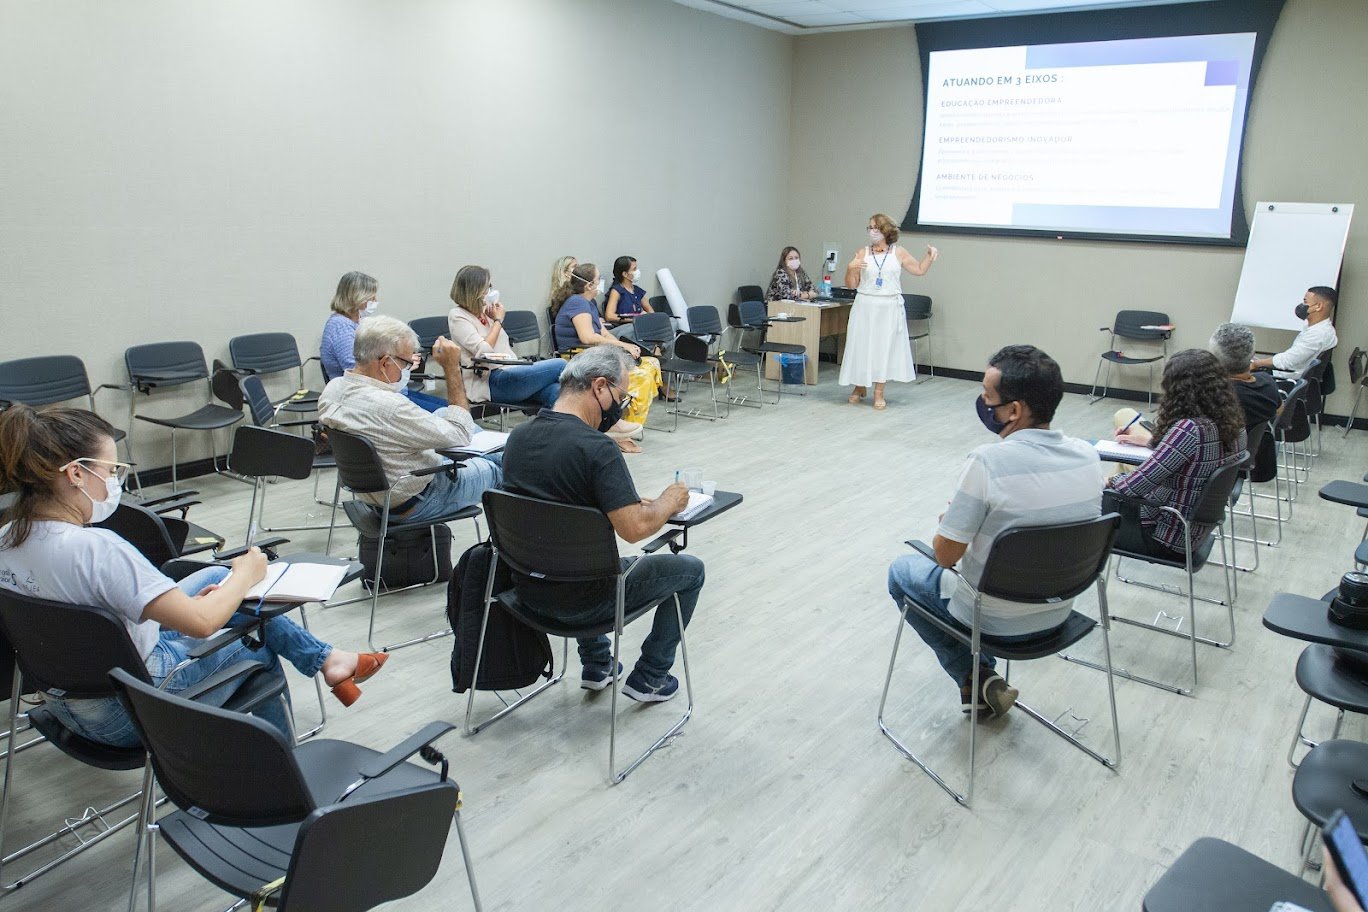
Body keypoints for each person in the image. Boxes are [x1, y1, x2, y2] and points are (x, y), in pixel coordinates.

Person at [0, 406, 387, 747]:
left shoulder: (7, 537)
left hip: (64, 697)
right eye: (111, 470)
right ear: (76, 474)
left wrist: (218, 593)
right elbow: (202, 624)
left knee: (214, 577)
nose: (115, 480)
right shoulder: (97, 550)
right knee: (256, 646)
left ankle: (330, 659)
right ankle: (284, 777)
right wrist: (246, 575)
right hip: (127, 710)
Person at [886, 345, 1101, 716]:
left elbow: (945, 556)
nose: (982, 403)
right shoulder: (1088, 455)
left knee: (901, 572)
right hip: (1058, 614)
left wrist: (953, 523)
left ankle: (974, 675)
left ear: (1014, 410)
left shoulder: (987, 462)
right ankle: (982, 683)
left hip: (996, 622)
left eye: (987, 396)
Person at [501, 345, 703, 702]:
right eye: (621, 396)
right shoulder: (598, 449)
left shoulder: (518, 438)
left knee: (573, 553)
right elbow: (635, 529)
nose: (620, 406)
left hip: (527, 592)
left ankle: (598, 663)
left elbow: (559, 505)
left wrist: (619, 502)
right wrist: (668, 501)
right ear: (599, 387)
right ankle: (651, 676)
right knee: (690, 570)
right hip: (587, 603)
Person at [317, 315, 501, 524]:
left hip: (377, 495)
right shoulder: (389, 407)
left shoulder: (332, 390)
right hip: (419, 500)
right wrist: (452, 369)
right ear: (385, 363)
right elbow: (460, 433)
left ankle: (504, 453)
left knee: (443, 413)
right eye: (406, 363)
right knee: (504, 468)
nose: (407, 370)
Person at [1107, 349, 1247, 560]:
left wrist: (1105, 481)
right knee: (1116, 477)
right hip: (1195, 531)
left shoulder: (1190, 429)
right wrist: (1150, 442)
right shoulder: (1235, 425)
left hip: (1165, 535)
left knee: (1086, 507)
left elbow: (1133, 486)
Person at [841, 213, 938, 410]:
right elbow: (851, 284)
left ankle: (879, 391)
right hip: (865, 305)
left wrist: (929, 257)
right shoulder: (862, 252)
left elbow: (919, 270)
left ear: (886, 230)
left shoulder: (898, 252)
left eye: (876, 227)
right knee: (861, 346)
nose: (872, 231)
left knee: (883, 348)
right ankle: (859, 385)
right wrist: (850, 268)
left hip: (889, 307)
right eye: (870, 228)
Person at [319, 270, 447, 412]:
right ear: (358, 297)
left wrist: (402, 361)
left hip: (387, 392)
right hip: (368, 399)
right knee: (445, 413)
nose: (375, 300)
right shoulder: (340, 327)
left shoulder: (356, 322)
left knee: (447, 407)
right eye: (371, 297)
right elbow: (362, 371)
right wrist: (401, 365)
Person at [446, 264, 565, 408]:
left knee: (557, 392)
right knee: (561, 364)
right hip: (490, 381)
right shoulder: (458, 316)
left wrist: (493, 319)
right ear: (475, 291)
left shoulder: (485, 312)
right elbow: (484, 351)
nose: (490, 291)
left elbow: (503, 345)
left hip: (512, 369)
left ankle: (564, 423)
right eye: (487, 288)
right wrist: (498, 321)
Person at [1250, 285, 1339, 380]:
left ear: (1318, 306)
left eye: (1305, 302)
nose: (1301, 305)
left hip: (1285, 378)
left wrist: (1256, 364)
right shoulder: (1320, 329)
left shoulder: (1317, 334)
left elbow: (1288, 361)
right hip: (1288, 374)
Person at [1210, 322, 1281, 431]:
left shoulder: (1216, 396)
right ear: (1252, 355)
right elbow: (1280, 412)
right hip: (1262, 441)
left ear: (1214, 359)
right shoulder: (1268, 382)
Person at [604, 255, 654, 340]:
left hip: (639, 326)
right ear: (625, 274)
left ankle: (658, 346)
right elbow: (609, 316)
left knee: (671, 322)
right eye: (634, 269)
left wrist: (647, 317)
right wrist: (634, 320)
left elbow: (651, 312)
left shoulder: (637, 290)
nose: (637, 271)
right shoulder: (616, 291)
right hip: (625, 327)